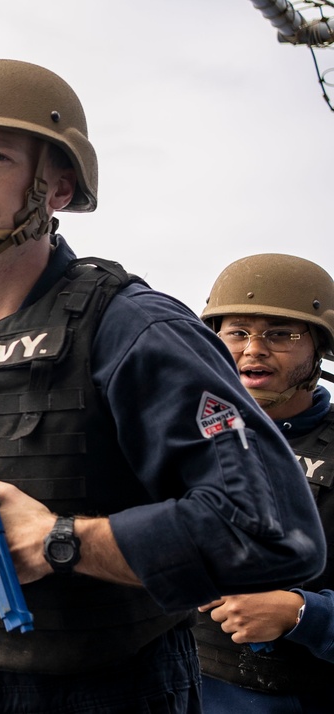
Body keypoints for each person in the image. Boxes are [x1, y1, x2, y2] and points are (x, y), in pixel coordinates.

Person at [0, 58, 326, 713]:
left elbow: (273, 529)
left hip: (115, 691)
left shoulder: (135, 330)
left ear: (59, 186)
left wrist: (61, 541)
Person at [196, 254, 334, 711]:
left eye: (280, 334)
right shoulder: (174, 433)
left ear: (318, 346)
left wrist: (301, 614)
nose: (254, 349)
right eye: (237, 332)